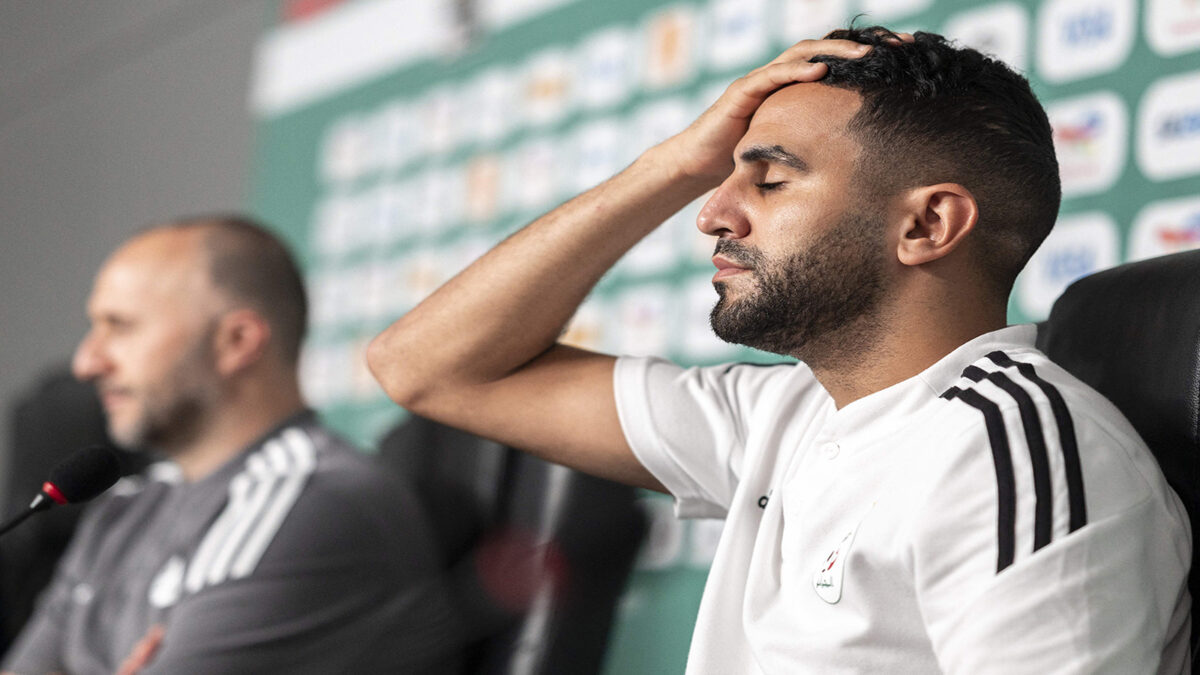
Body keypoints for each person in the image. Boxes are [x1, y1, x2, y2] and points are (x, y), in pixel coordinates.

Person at [367, 26, 1192, 673]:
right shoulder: (782, 415)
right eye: (719, 177)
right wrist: (673, 163)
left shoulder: (1007, 448)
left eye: (770, 179)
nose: (711, 212)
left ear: (926, 224)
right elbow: (424, 368)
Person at [3, 216, 464, 674]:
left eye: (120, 327)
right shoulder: (124, 510)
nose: (86, 363)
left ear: (236, 341)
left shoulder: (313, 503)